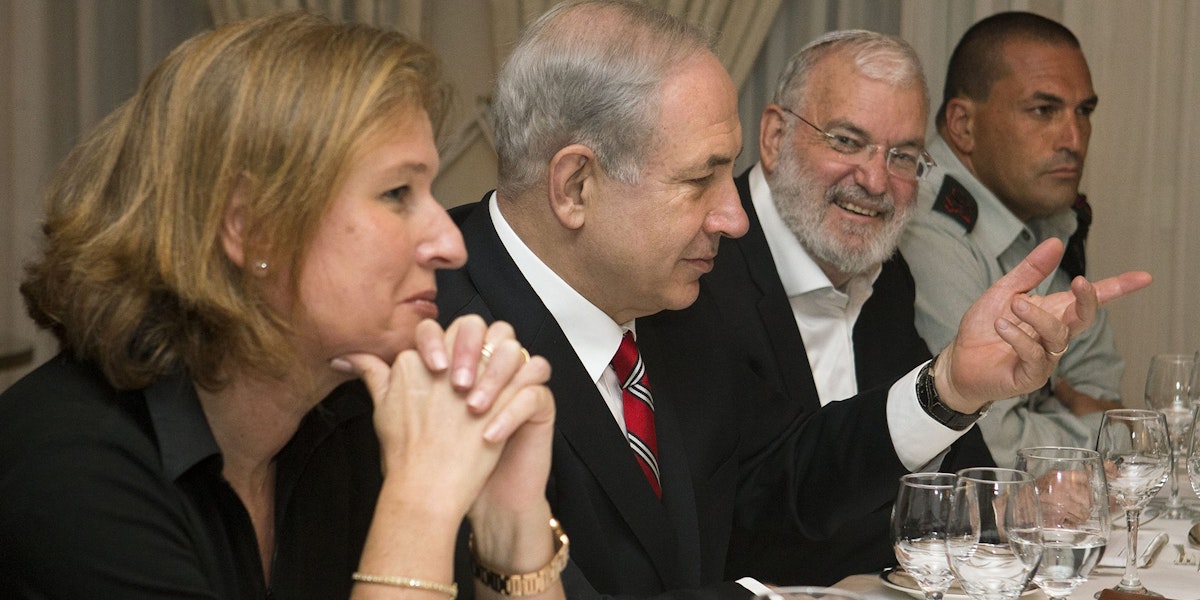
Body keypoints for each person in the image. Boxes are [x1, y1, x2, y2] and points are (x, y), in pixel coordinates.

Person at [436, 1, 1149, 597]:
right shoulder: (436, 343)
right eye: (699, 181)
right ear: (575, 188)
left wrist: (952, 384)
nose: (735, 216)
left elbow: (779, 479)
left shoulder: (665, 306)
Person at [0, 12, 564, 600]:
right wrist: (421, 500)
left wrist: (510, 526)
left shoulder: (355, 413)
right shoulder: (68, 469)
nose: (449, 243)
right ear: (252, 229)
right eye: (397, 193)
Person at [706, 31, 995, 586]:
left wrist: (1015, 502)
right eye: (845, 140)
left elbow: (956, 475)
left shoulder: (885, 274)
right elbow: (755, 522)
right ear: (773, 137)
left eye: (903, 156)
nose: (875, 180)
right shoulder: (705, 270)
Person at [899, 11, 1123, 467]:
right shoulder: (925, 221)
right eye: (1044, 110)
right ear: (962, 124)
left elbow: (1101, 387)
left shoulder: (1045, 210)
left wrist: (1067, 418)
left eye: (1084, 111)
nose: (1075, 138)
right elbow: (987, 448)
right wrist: (1106, 433)